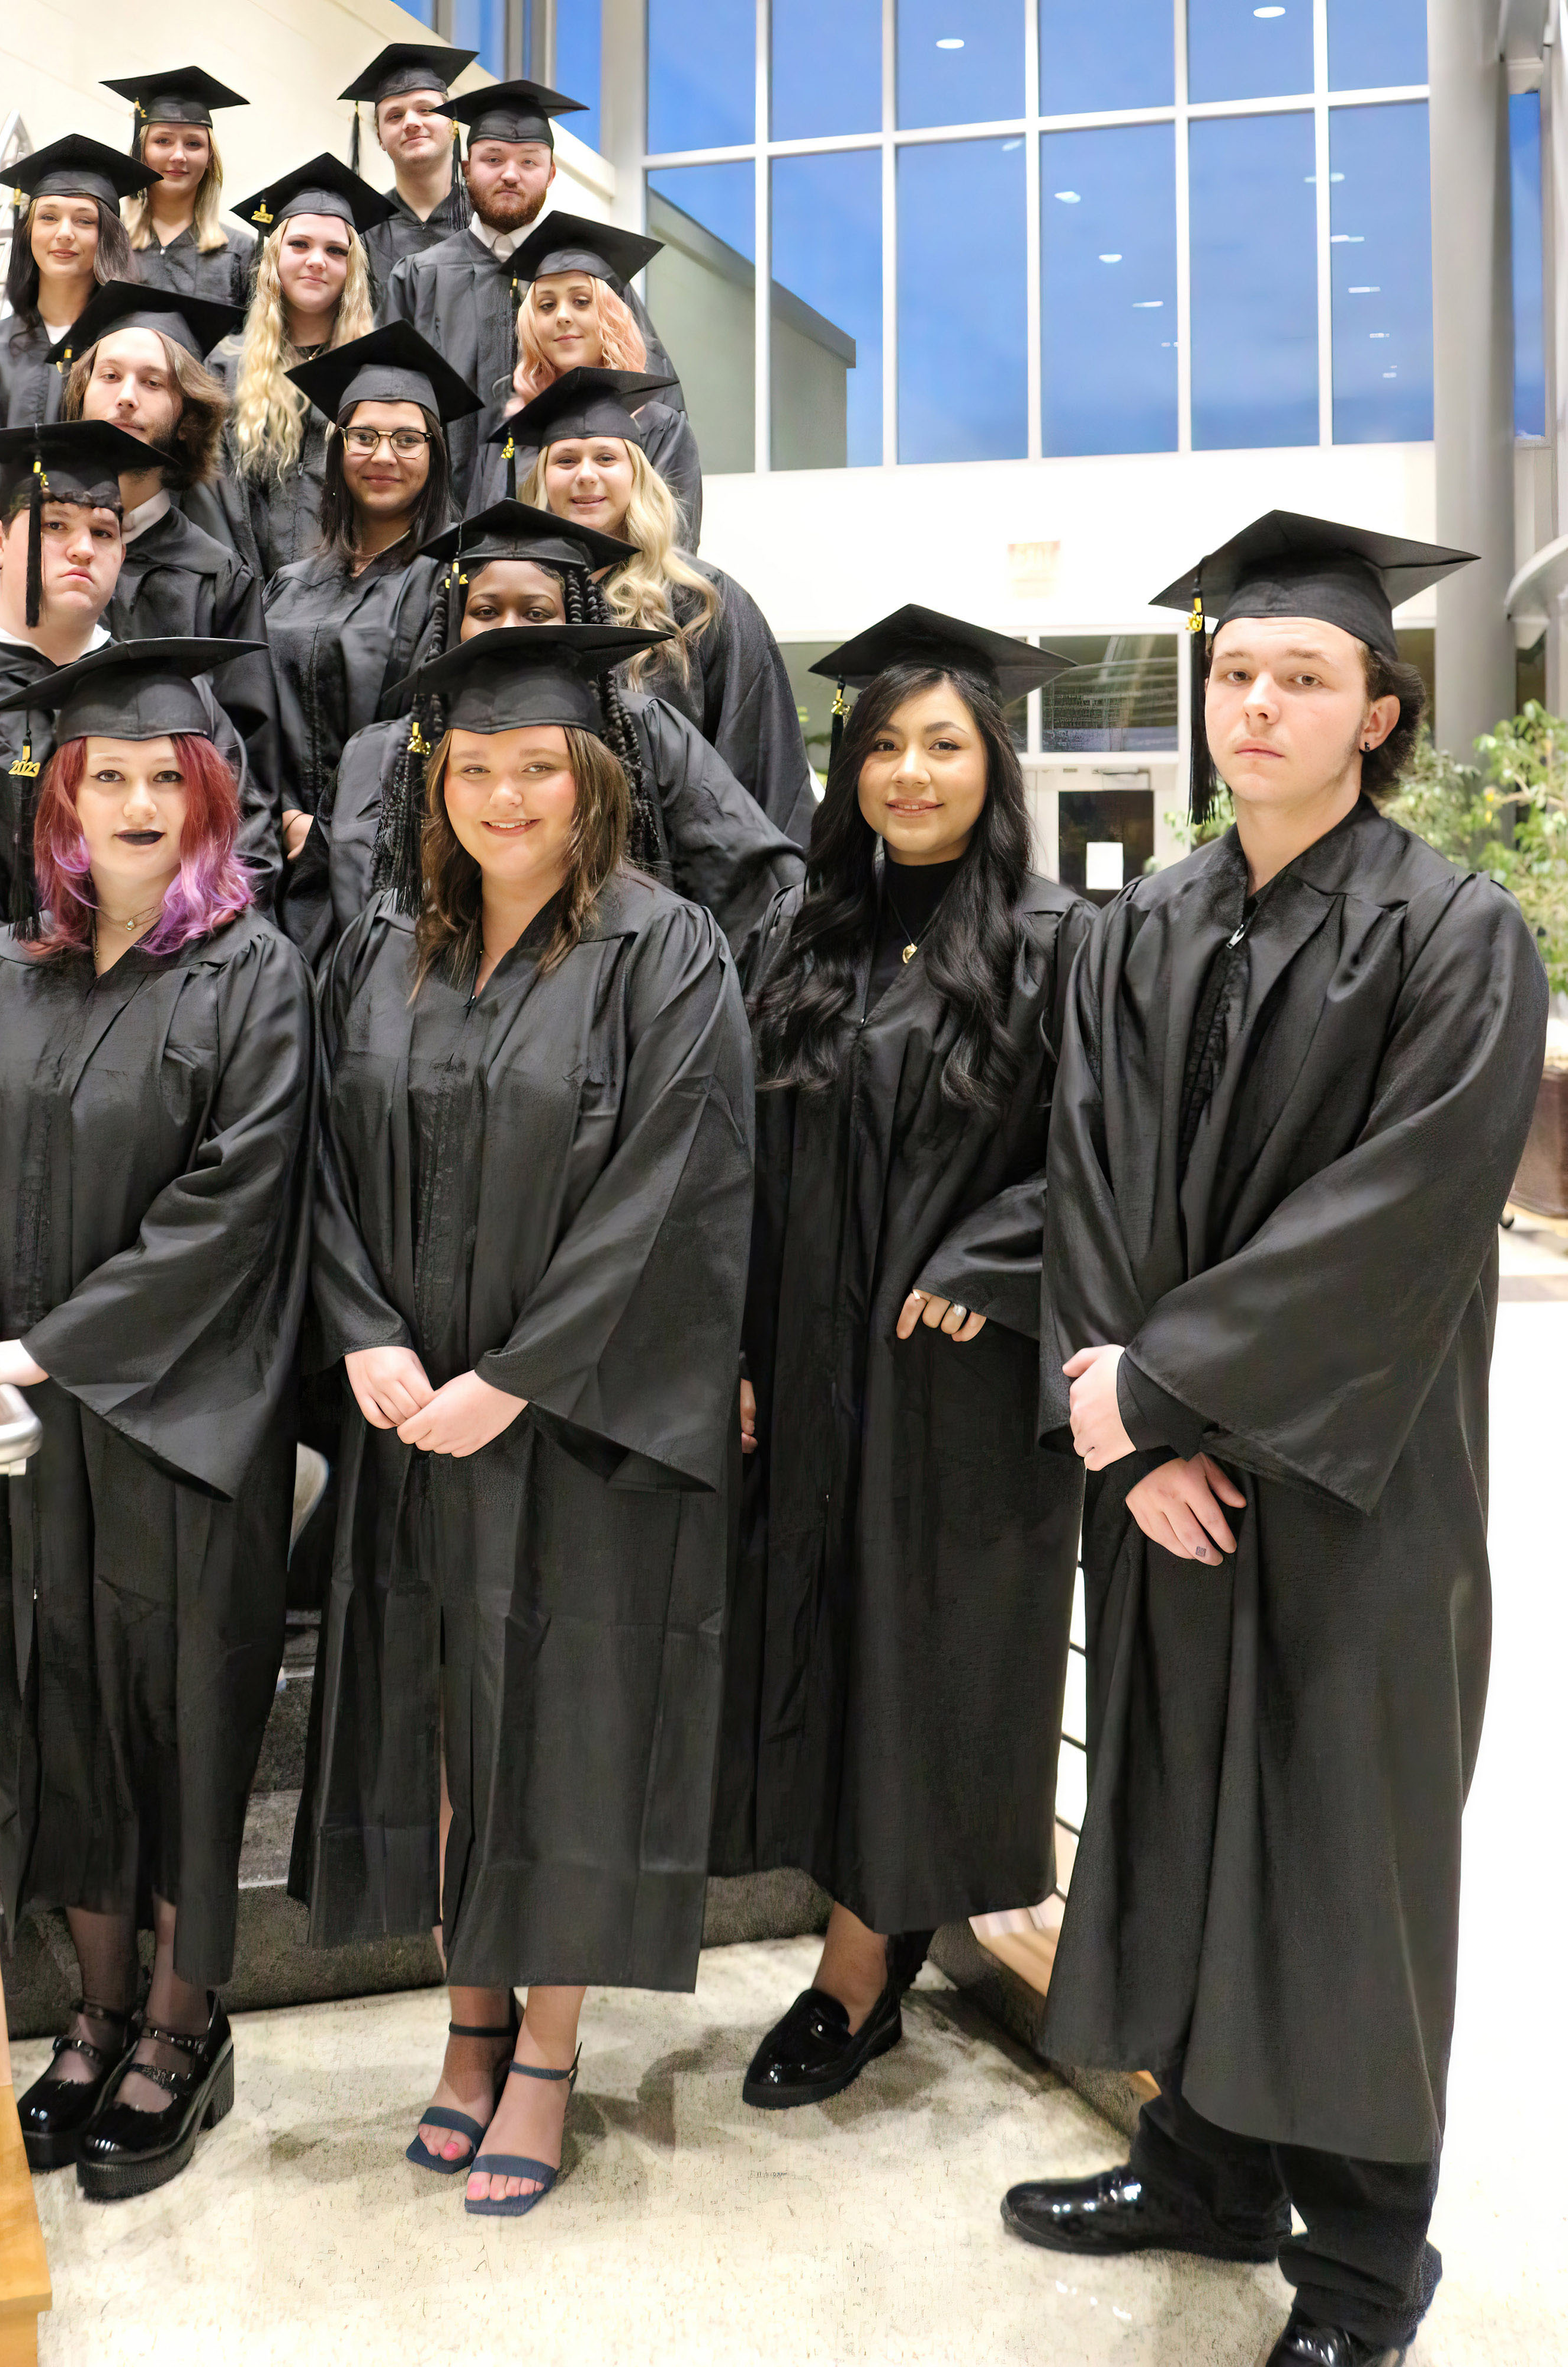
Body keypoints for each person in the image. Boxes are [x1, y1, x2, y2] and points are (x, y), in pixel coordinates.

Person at [1000, 514, 1550, 2367]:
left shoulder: (1457, 936)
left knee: (1341, 1848)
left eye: (1300, 677)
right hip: (1170, 1475)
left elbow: (1397, 1219)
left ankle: (1364, 2272)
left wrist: (1158, 1390)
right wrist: (1115, 1410)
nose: (1256, 701)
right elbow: (1082, 1178)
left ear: (1376, 715)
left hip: (1353, 1480)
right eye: (1233, 671)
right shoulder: (1138, 922)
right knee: (1181, 1803)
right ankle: (1204, 2162)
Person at [290, 623, 755, 2218]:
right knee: (433, 1718)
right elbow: (320, 1165)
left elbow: (671, 1191)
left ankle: (545, 2053)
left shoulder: (666, 948)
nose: (504, 793)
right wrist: (360, 1332)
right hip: (412, 1418)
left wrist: (519, 1376)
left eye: (536, 765)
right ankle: (467, 2017)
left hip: (572, 1432)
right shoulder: (381, 949)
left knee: (561, 1734)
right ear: (439, 781)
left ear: (593, 778)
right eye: (475, 765)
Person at [0, 637, 313, 2202]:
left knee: (182, 1716)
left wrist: (48, 1350)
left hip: (182, 1422)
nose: (136, 798)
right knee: (66, 1704)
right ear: (63, 796)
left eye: (167, 775)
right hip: (32, 1432)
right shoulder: (10, 973)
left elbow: (234, 1207)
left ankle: (180, 2021)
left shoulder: (252, 975)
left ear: (207, 796)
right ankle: (88, 2016)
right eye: (107, 774)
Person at [720, 608, 1091, 2108]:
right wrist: (739, 1342)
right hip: (812, 1363)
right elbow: (740, 1150)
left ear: (991, 761)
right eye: (882, 743)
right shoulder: (808, 931)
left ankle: (861, 1966)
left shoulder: (1061, 942)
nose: (909, 771)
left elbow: (1112, 1160)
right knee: (829, 1634)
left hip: (951, 1385)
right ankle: (853, 1919)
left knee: (925, 1648)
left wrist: (992, 1255)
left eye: (943, 743)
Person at [0, 422, 277, 1092]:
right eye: (55, 526)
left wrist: (182, 1002)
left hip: (185, 1042)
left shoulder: (176, 694)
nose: (83, 548)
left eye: (105, 532)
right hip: (11, 1058)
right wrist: (89, 1018)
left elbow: (246, 848)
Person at [288, 499, 802, 970]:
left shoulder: (642, 730)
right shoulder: (380, 753)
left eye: (536, 612)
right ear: (455, 624)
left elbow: (749, 893)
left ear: (572, 617)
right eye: (486, 611)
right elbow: (318, 920)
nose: (509, 628)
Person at [0, 284, 276, 792]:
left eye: (153, 383)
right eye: (109, 376)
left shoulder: (216, 577)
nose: (126, 396)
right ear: (79, 393)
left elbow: (242, 758)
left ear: (188, 420)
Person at [519, 371, 812, 840]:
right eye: (566, 459)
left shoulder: (701, 599)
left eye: (607, 457)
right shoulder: (515, 602)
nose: (586, 474)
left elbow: (761, 759)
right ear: (542, 480)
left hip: (678, 877)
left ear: (637, 475)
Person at [378, 80, 683, 512]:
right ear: (466, 169)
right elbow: (388, 402)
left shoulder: (595, 280)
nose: (510, 174)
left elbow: (655, 405)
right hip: (440, 521)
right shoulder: (418, 277)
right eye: (493, 159)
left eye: (529, 162)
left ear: (551, 172)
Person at [265, 324, 478, 862]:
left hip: (396, 856)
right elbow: (249, 718)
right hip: (272, 852)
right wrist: (280, 816)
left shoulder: (455, 580)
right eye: (364, 437)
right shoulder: (287, 585)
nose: (384, 455)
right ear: (339, 449)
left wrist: (337, 829)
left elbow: (447, 729)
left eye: (408, 439)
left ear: (436, 456)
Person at [0, 134, 149, 531]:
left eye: (84, 220)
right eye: (48, 217)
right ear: (28, 232)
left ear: (107, 237)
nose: (64, 233)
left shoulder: (125, 350)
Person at [474, 212, 701, 547]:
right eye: (547, 305)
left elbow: (675, 548)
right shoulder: (513, 428)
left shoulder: (660, 425)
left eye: (581, 301)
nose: (563, 316)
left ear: (611, 315)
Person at [217, 156, 388, 579]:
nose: (317, 261)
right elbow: (216, 502)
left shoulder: (376, 372)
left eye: (335, 251)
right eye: (300, 245)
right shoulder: (227, 368)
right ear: (274, 257)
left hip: (353, 600)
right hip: (246, 598)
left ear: (352, 271)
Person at [102, 66, 256, 306]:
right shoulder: (108, 239)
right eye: (163, 141)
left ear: (210, 159)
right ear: (141, 153)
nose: (178, 156)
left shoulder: (241, 252)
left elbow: (249, 338)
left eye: (193, 144)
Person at [338, 38, 477, 271]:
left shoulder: (488, 218)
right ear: (381, 138)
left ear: (452, 124)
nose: (411, 123)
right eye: (395, 116)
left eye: (426, 110)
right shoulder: (361, 232)